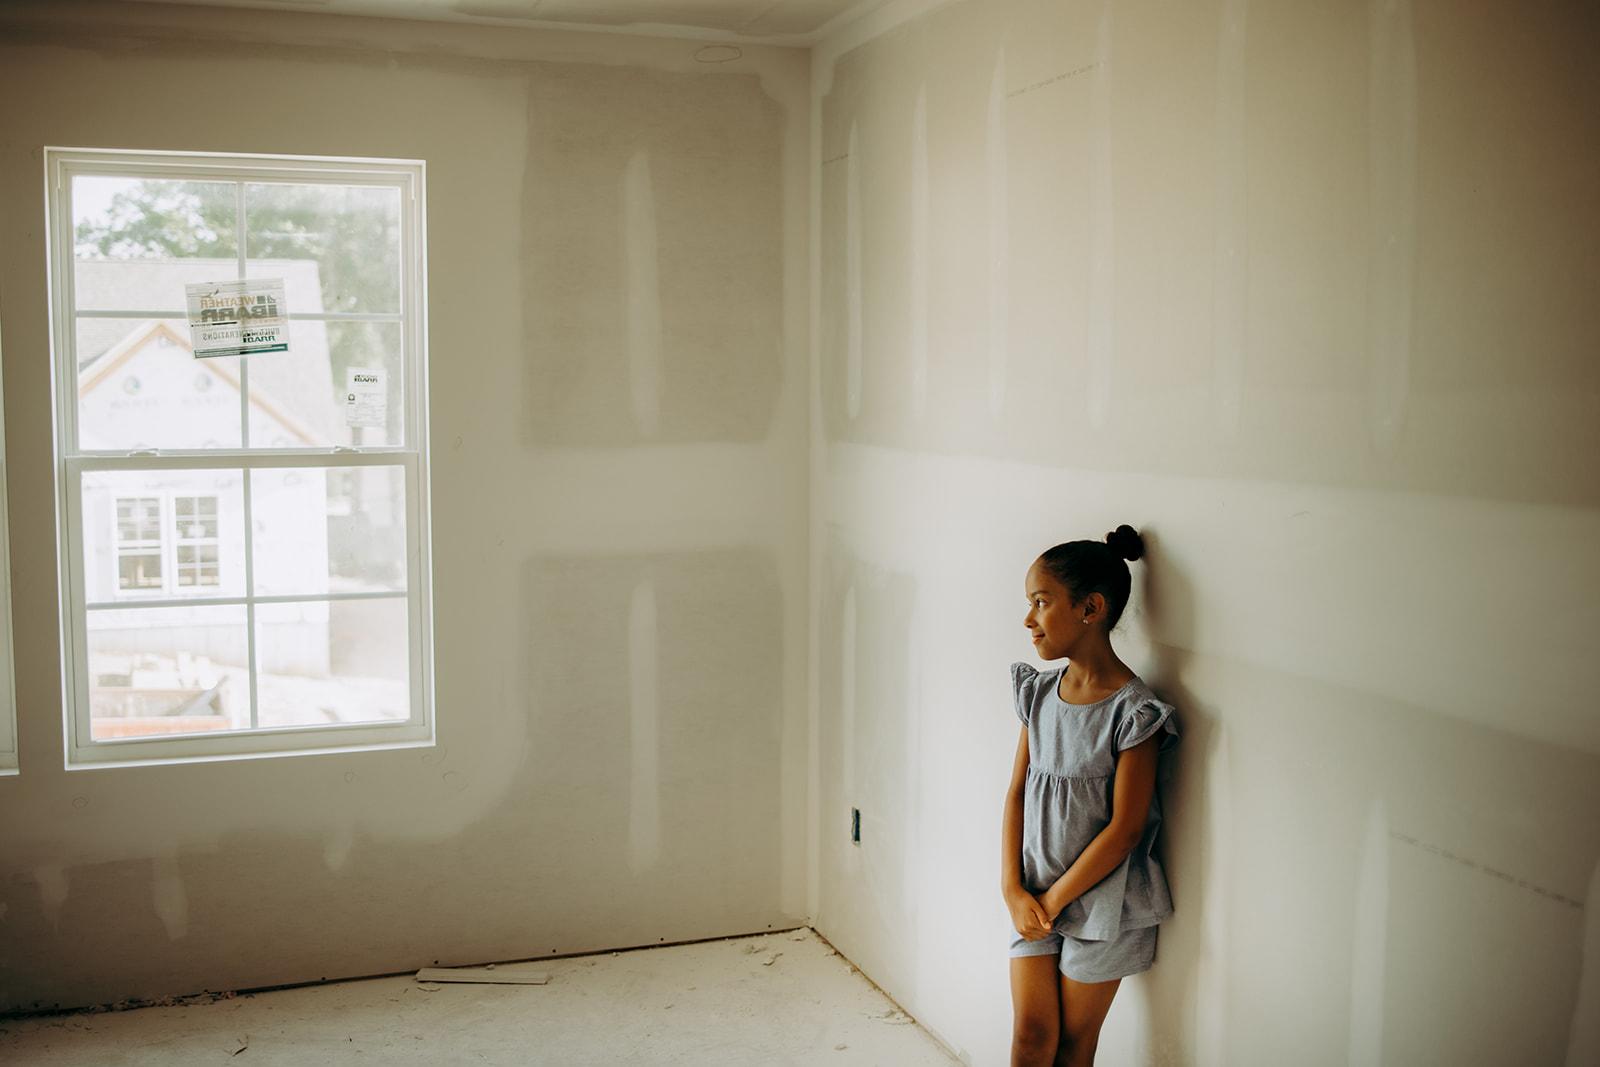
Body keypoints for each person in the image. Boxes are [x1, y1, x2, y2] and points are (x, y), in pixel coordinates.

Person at [1002, 525, 1180, 1067]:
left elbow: (1126, 829)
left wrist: (1056, 902)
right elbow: (1016, 794)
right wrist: (1013, 887)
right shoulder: (1038, 694)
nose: (1029, 619)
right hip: (1035, 894)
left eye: (1041, 602)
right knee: (1032, 1039)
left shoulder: (1135, 712)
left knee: (1075, 1048)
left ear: (1090, 608)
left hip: (1107, 906)